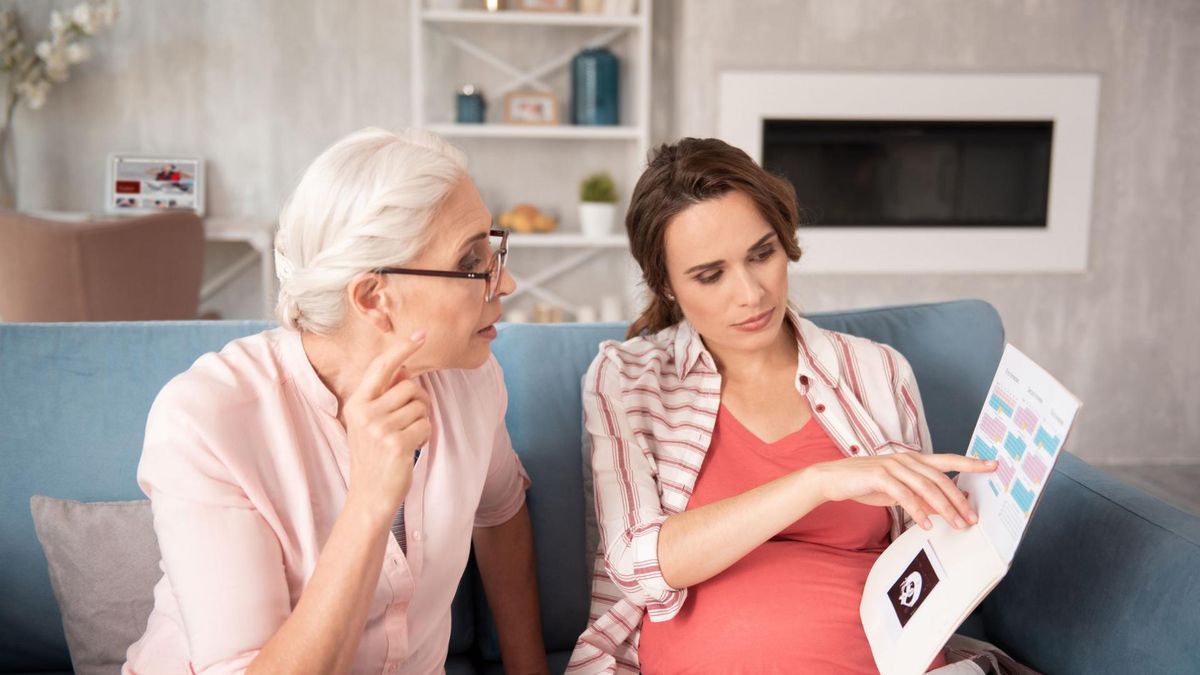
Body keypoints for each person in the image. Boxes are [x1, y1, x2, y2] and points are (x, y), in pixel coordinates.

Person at [124, 128, 549, 675]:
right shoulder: (207, 421)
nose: (506, 281)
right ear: (374, 298)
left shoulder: (471, 377)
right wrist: (371, 500)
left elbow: (500, 512)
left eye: (493, 248)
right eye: (472, 259)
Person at [567, 138, 998, 674]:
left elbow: (928, 562)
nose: (750, 293)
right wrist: (816, 482)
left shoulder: (877, 372)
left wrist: (977, 520)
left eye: (762, 254)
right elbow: (638, 564)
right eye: (710, 275)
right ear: (666, 285)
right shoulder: (629, 380)